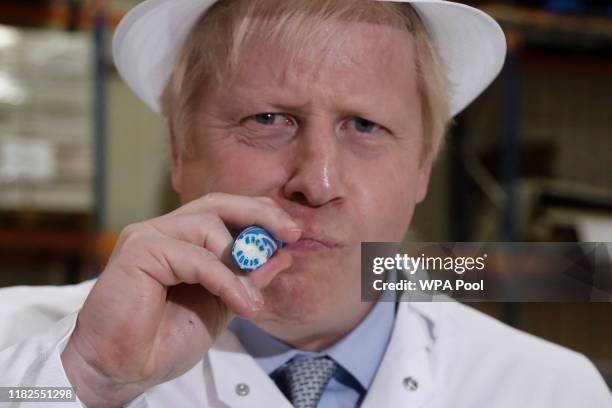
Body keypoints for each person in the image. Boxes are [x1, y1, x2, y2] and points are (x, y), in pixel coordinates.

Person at [1, 0, 610, 407]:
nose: (316, 183)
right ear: (179, 151)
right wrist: (86, 378)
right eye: (267, 119)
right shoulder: (20, 344)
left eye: (365, 127)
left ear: (422, 167)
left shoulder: (548, 389)